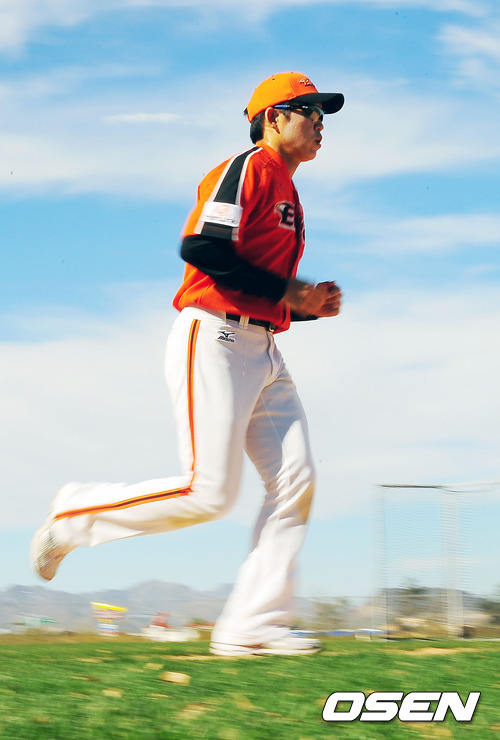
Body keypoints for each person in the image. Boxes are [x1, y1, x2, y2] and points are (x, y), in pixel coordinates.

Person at [31, 72, 344, 656]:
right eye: (311, 110)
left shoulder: (290, 192)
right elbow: (202, 249)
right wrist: (291, 291)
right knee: (209, 494)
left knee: (297, 479)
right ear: (273, 118)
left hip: (264, 349)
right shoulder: (248, 168)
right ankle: (75, 515)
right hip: (215, 338)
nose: (320, 123)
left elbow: (258, 288)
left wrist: (303, 307)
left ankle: (253, 626)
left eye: (323, 114)